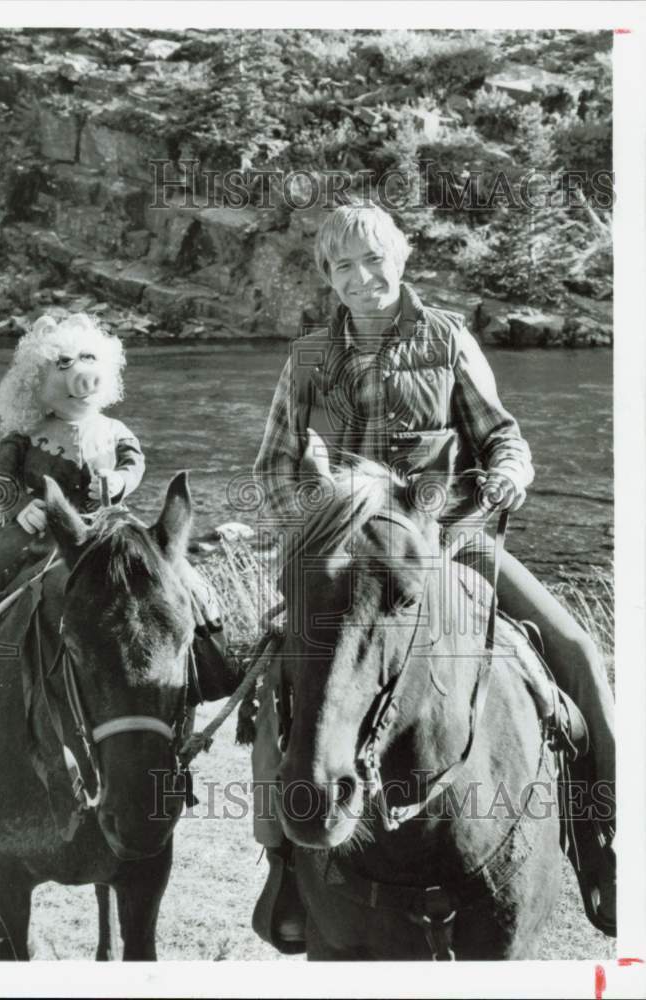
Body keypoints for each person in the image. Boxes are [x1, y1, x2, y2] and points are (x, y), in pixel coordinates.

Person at [250, 199, 616, 950]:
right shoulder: (306, 358)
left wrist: (509, 476)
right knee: (277, 680)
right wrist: (318, 537)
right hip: (345, 557)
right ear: (328, 277)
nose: (362, 277)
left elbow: (502, 437)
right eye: (343, 267)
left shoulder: (447, 339)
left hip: (450, 543)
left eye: (374, 259)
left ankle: (604, 840)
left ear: (401, 257)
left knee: (574, 653)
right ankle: (285, 861)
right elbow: (276, 466)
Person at [0, 312, 147, 716]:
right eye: (64, 364)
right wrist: (20, 506)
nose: (80, 374)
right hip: (34, 531)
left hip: (102, 527)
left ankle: (206, 650)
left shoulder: (115, 429)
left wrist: (118, 483)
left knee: (168, 574)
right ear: (36, 380)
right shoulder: (23, 435)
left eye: (87, 359)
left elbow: (134, 465)